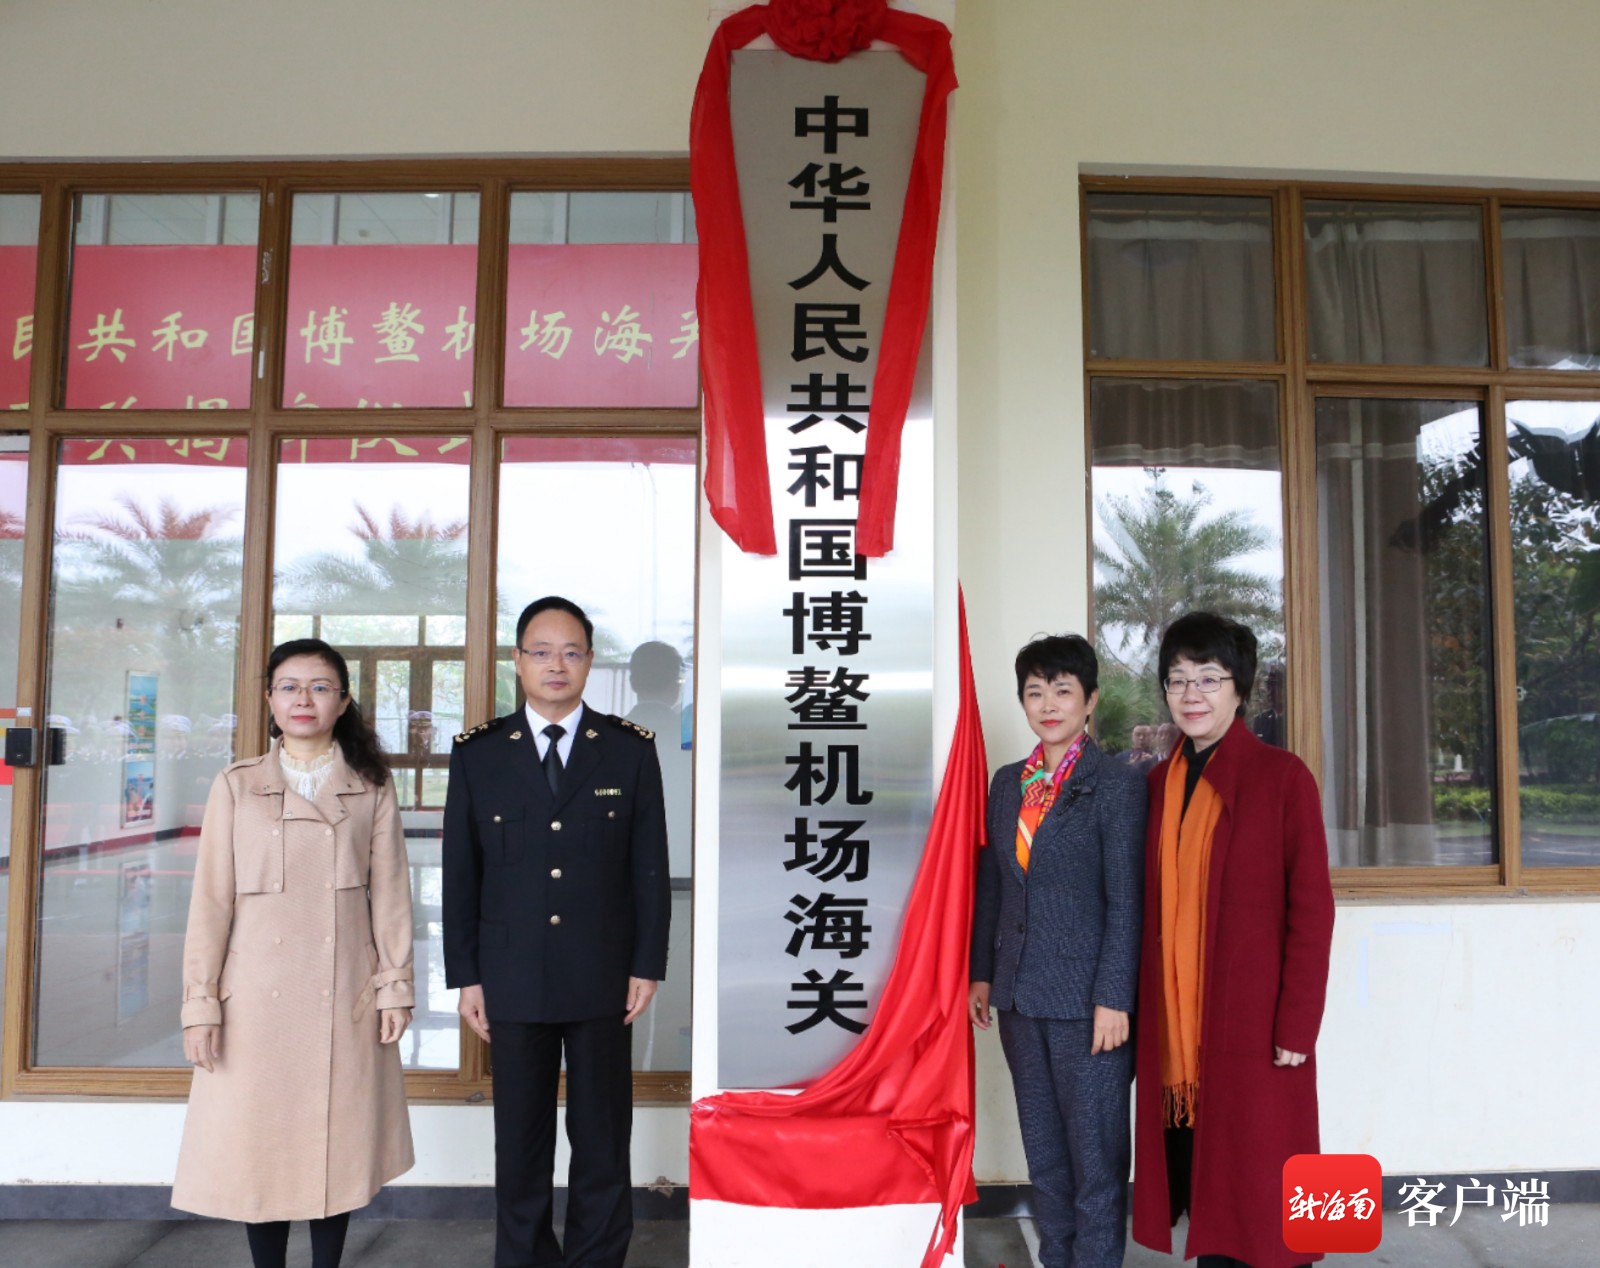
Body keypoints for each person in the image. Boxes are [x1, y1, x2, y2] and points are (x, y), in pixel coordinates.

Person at [172, 638, 415, 1268]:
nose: (303, 699)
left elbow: (391, 894)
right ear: (269, 699)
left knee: (335, 1146)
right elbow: (211, 903)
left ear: (343, 700)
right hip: (253, 999)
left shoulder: (369, 785)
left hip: (343, 993)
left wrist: (394, 985)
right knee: (263, 1146)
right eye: (289, 686)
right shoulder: (237, 785)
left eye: (320, 687)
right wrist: (200, 1003)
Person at [444, 595, 671, 1268]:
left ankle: (596, 1259)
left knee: (601, 1136)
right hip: (510, 975)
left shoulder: (628, 751)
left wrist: (648, 963)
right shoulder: (480, 754)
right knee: (520, 1141)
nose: (556, 665)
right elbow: (461, 873)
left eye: (571, 653)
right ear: (517, 661)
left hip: (603, 973)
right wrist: (467, 975)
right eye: (541, 652)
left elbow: (649, 868)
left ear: (590, 663)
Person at [1131, 613, 1335, 1268]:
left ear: (1239, 689)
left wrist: (1297, 1024)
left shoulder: (1282, 777)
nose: (1191, 694)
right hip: (1177, 1032)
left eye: (1209, 678)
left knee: (1264, 1196)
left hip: (1255, 1028)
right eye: (1178, 679)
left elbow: (1312, 911)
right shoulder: (1156, 785)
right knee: (1206, 1192)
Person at [969, 634, 1146, 1268]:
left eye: (1063, 691)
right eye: (1035, 692)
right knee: (1043, 1152)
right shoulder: (1008, 784)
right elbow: (993, 885)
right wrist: (981, 975)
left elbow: (1126, 900)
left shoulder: (1117, 785)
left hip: (1088, 1006)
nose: (1048, 705)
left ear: (1090, 700)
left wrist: (1114, 998)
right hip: (1019, 996)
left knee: (1095, 1158)